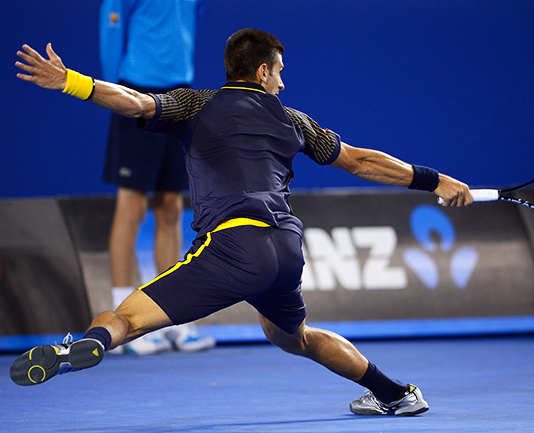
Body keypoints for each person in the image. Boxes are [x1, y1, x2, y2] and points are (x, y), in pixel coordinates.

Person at [11, 29, 473, 416]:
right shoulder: (294, 120)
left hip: (232, 248)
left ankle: (85, 345)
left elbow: (135, 102)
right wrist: (436, 181)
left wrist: (71, 81)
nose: (283, 84)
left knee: (126, 320)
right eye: (280, 73)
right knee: (295, 338)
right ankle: (396, 394)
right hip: (286, 248)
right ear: (262, 71)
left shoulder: (196, 104)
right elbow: (360, 161)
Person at [99, 0, 214, 354]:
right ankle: (120, 320)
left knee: (170, 208)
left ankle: (170, 318)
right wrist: (114, 93)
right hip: (134, 93)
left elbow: (189, 23)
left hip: (179, 96)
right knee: (131, 206)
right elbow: (111, 31)